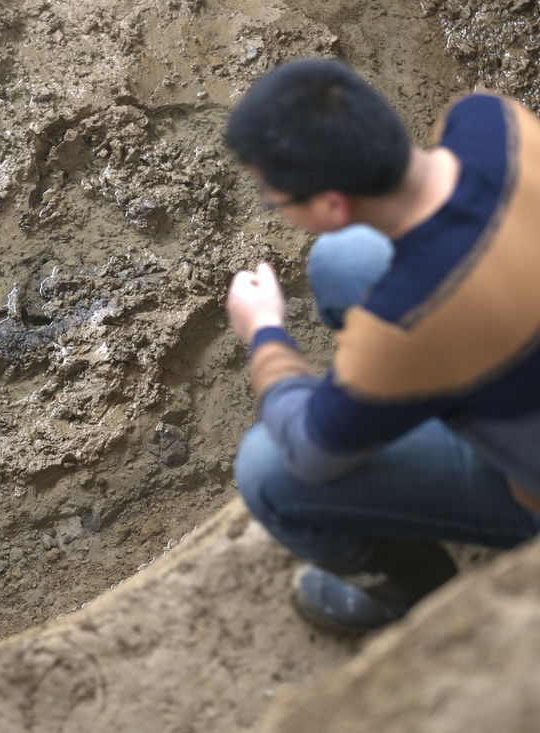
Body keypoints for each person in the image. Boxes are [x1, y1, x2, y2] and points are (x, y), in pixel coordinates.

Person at [223, 58, 540, 632]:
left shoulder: (404, 325)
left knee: (267, 469)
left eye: (278, 201)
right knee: (344, 260)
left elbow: (309, 449)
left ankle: (414, 593)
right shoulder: (493, 120)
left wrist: (264, 330)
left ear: (331, 205)